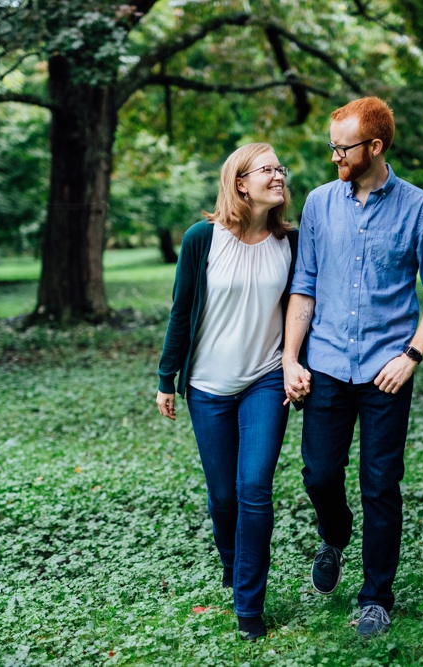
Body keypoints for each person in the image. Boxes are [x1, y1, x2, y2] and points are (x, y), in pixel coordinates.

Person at [281, 97, 423, 638]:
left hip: (386, 371)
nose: (334, 156)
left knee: (381, 484)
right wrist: (290, 358)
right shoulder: (318, 203)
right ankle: (335, 534)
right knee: (319, 475)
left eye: (343, 148)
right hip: (327, 365)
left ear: (374, 147)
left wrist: (411, 357)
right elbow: (304, 286)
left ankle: (377, 595)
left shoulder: (418, 208)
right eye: (332, 146)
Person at [155, 143, 299, 641]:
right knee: (223, 498)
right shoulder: (202, 239)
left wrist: (298, 365)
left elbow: (302, 308)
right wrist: (165, 377)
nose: (278, 175)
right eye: (267, 169)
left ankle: (249, 605)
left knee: (254, 489)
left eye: (280, 168)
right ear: (240, 182)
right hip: (209, 388)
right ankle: (233, 564)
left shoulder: (290, 241)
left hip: (265, 378)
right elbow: (181, 309)